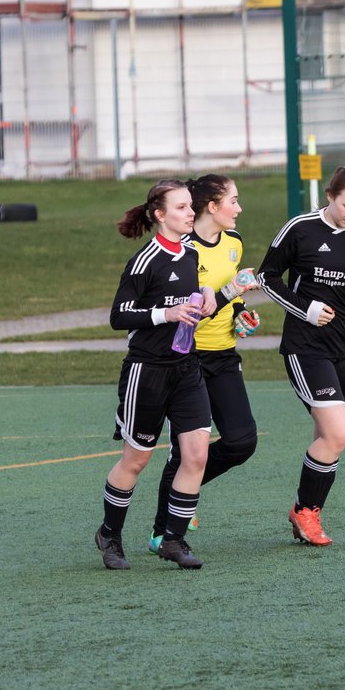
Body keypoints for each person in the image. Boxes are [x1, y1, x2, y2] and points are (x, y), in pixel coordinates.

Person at [256, 166, 345, 547]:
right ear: (330, 196)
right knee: (338, 432)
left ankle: (305, 512)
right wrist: (305, 309)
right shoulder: (300, 228)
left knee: (327, 435)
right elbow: (267, 278)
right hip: (306, 344)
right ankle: (306, 511)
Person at [96, 179, 218, 570]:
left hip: (186, 368)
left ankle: (173, 540)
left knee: (196, 455)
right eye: (181, 208)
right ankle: (110, 536)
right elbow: (119, 316)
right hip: (146, 372)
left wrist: (209, 295)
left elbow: (193, 289)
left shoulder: (190, 252)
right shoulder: (144, 260)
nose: (190, 213)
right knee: (136, 461)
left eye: (190, 206)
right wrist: (167, 314)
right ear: (160, 215)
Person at [147, 175, 262, 554]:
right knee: (184, 453)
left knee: (242, 441)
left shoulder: (234, 243)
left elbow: (229, 302)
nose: (239, 208)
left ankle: (187, 490)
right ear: (211, 206)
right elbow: (196, 313)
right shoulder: (182, 251)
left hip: (224, 355)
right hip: (187, 359)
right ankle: (164, 531)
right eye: (233, 200)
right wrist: (232, 294)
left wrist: (242, 314)